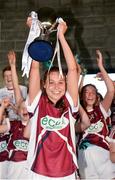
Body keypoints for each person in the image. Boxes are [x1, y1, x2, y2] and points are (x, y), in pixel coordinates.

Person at [24, 19, 90, 179]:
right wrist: (35, 33)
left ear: (66, 85)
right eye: (51, 82)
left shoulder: (70, 104)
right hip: (38, 172)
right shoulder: (37, 103)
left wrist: (61, 36)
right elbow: (34, 67)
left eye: (61, 82)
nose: (56, 86)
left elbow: (73, 69)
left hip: (66, 172)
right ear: (44, 85)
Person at [78, 49, 115, 179]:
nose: (90, 94)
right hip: (85, 159)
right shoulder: (76, 114)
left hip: (104, 157)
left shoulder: (101, 110)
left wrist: (100, 66)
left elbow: (111, 91)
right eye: (86, 92)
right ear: (81, 96)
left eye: (93, 92)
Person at [6, 50, 30, 179]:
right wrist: (13, 66)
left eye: (27, 108)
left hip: (30, 166)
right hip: (14, 167)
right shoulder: (14, 124)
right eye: (22, 108)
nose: (25, 110)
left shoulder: (36, 125)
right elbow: (16, 88)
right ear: (17, 111)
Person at [0, 55, 27, 120]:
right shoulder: (0, 92)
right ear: (3, 78)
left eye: (11, 75)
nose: (8, 78)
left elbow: (26, 106)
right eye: (6, 76)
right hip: (6, 122)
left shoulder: (23, 89)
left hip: (21, 120)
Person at [0, 97, 10, 179]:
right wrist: (2, 107)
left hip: (5, 162)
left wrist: (3, 107)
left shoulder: (8, 124)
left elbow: (5, 128)